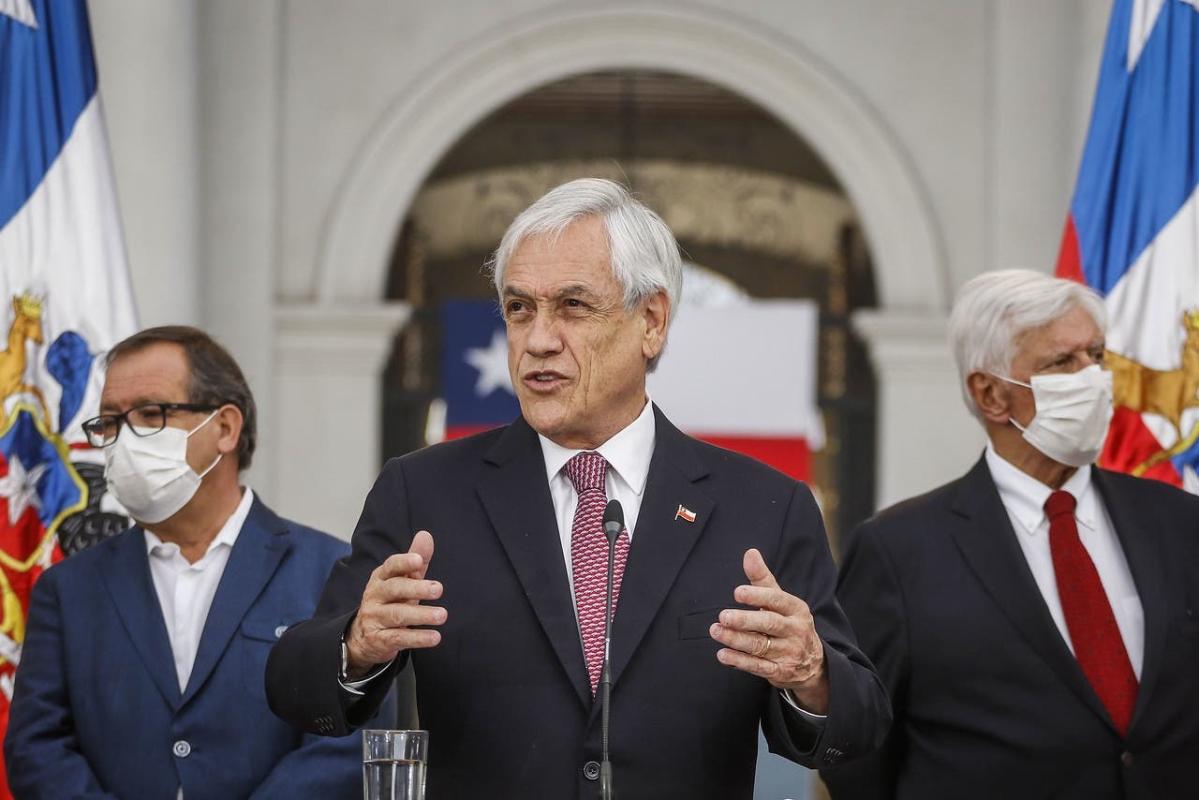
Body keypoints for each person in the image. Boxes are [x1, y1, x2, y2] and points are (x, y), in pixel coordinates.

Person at [265, 178, 890, 798]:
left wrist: (811, 674)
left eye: (572, 306)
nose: (538, 340)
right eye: (519, 309)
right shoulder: (423, 492)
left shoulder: (765, 507)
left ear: (651, 321)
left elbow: (859, 725)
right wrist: (356, 647)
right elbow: (297, 690)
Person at [821, 270, 1199, 799]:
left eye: (1096, 355)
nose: (1094, 377)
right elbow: (858, 747)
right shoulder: (900, 551)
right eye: (1063, 362)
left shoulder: (1180, 522)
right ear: (991, 394)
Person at [5, 326, 393, 799]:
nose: (123, 440)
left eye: (150, 414)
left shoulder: (328, 571)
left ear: (225, 428)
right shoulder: (68, 589)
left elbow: (350, 739)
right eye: (109, 422)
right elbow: (36, 747)